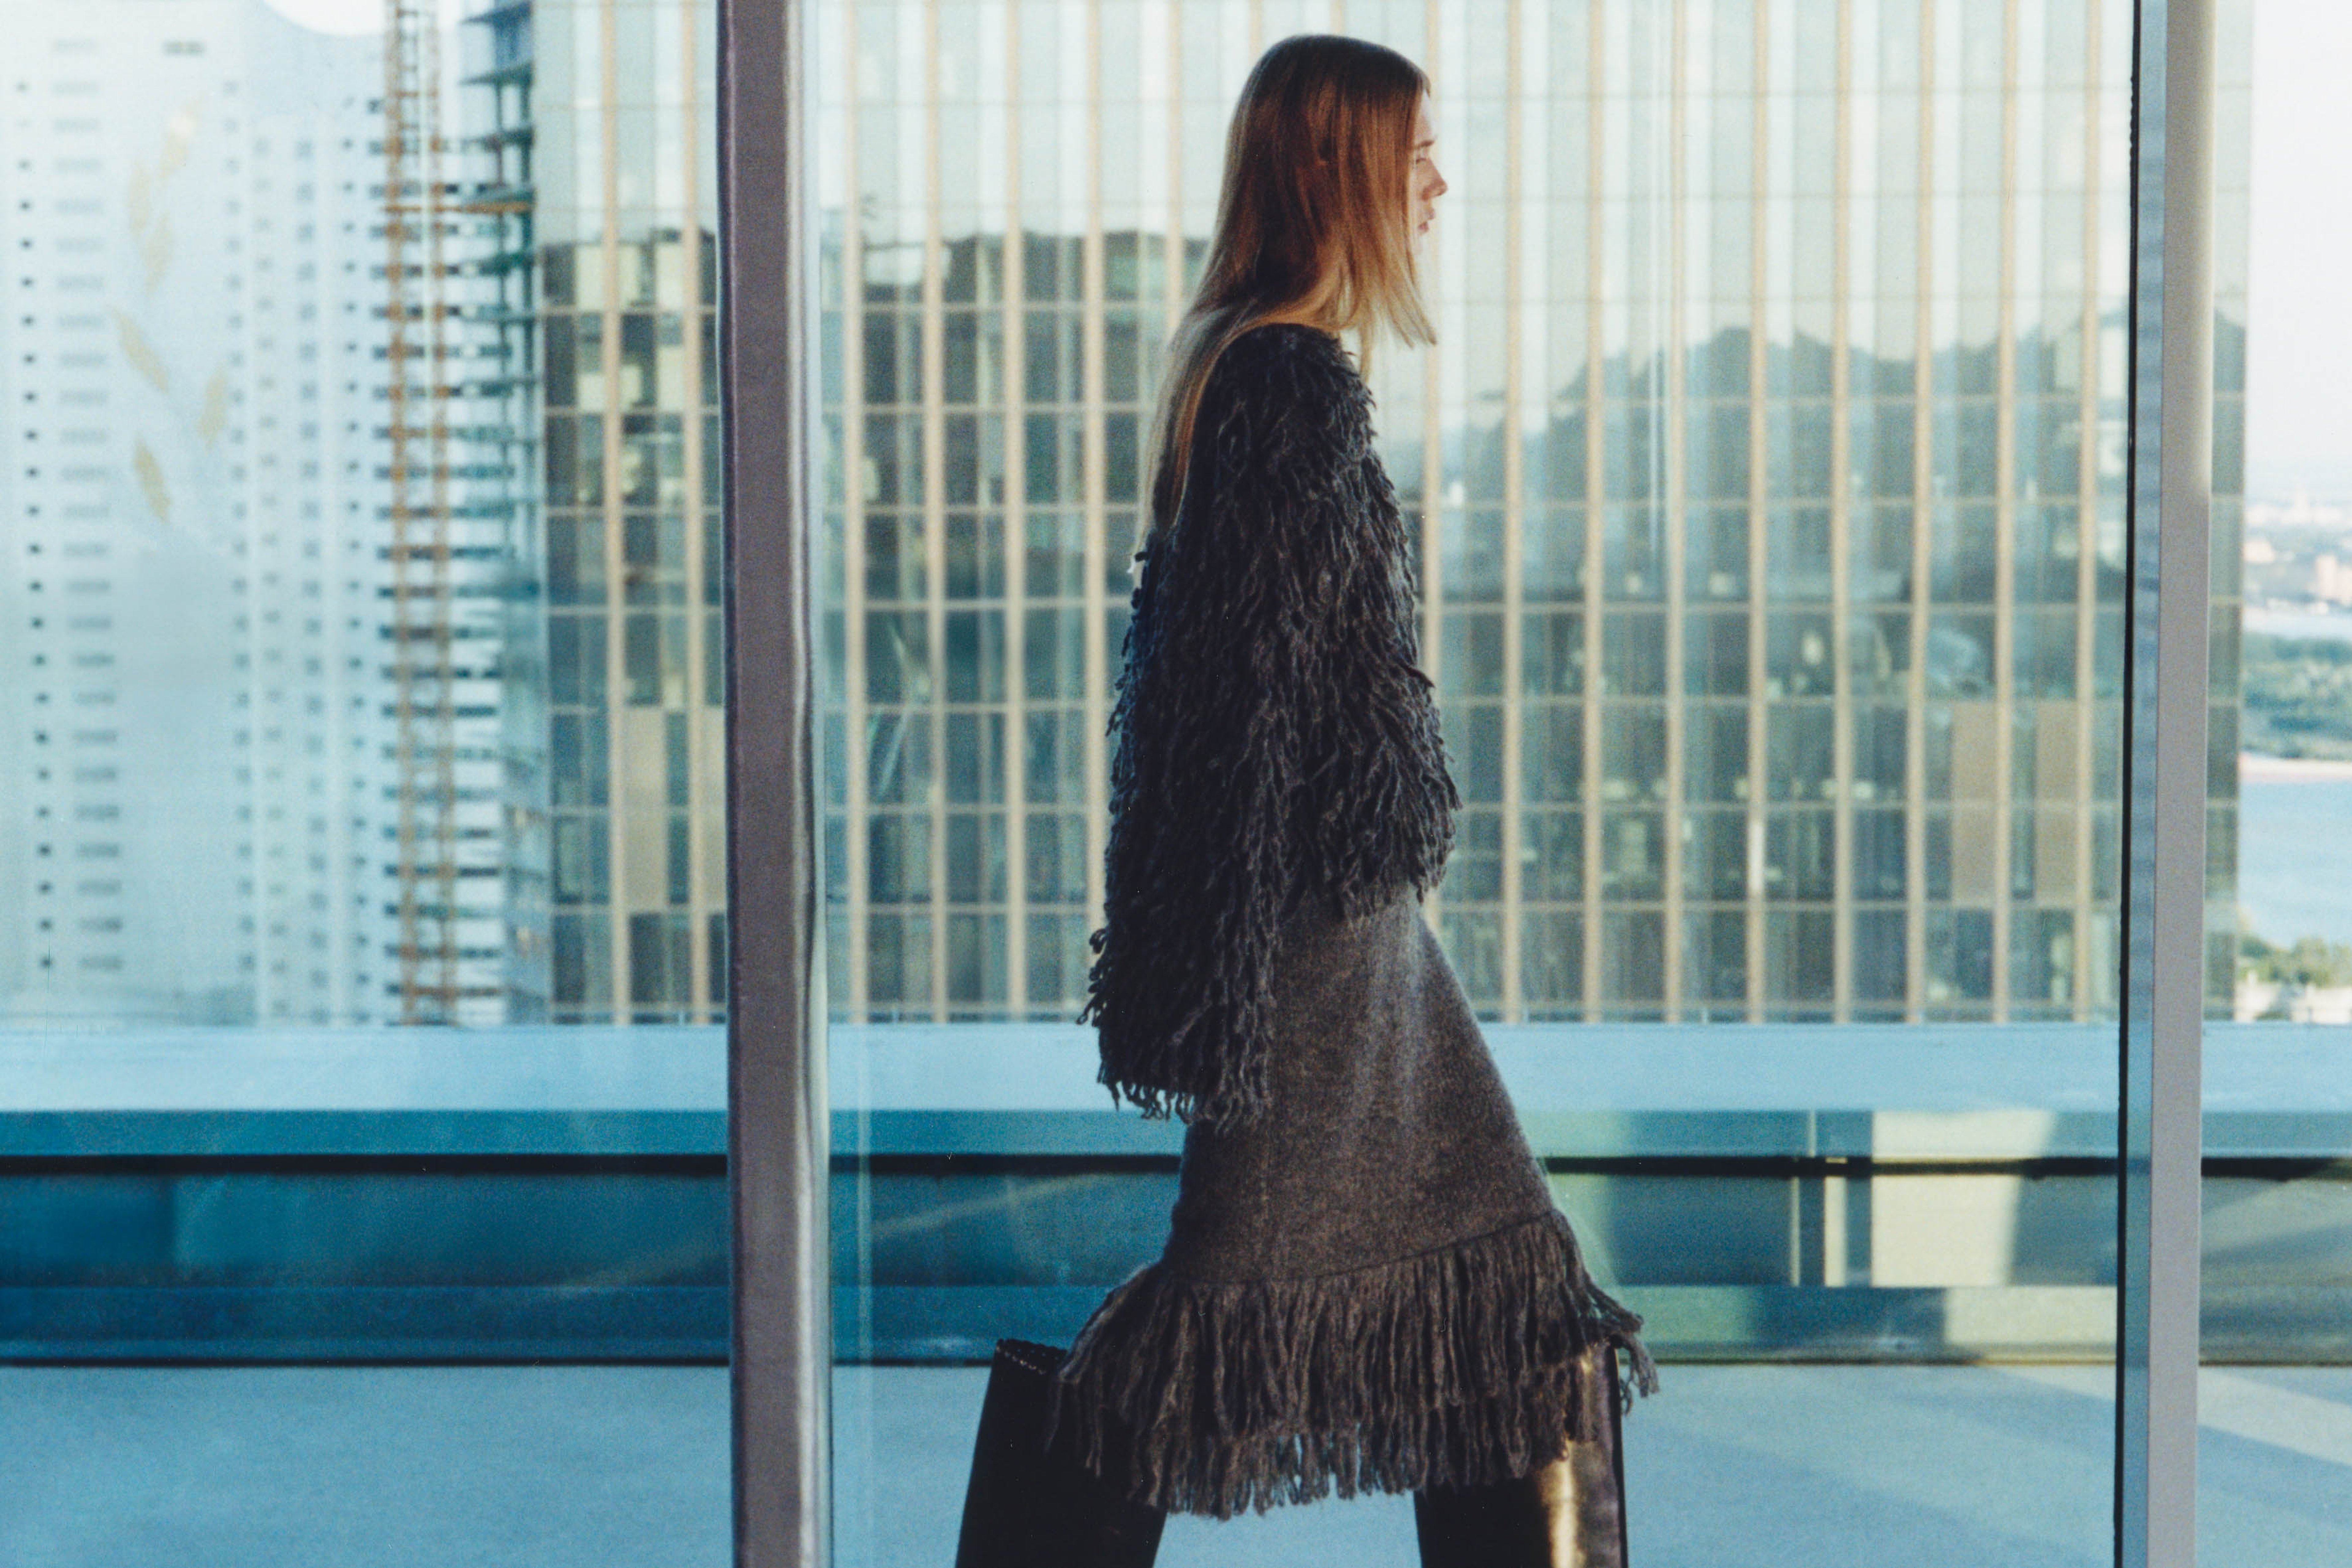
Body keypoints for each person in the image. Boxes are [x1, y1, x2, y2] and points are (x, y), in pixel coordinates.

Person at [954, 34, 1656, 1568]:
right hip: (1321, 951)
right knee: (1382, 1302)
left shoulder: (1243, 363)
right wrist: (1235, 993)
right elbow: (1240, 714)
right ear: (1340, 171)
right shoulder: (1292, 384)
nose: (1438, 185)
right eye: (1416, 157)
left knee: (1492, 1311)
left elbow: (1221, 710)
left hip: (1326, 939)